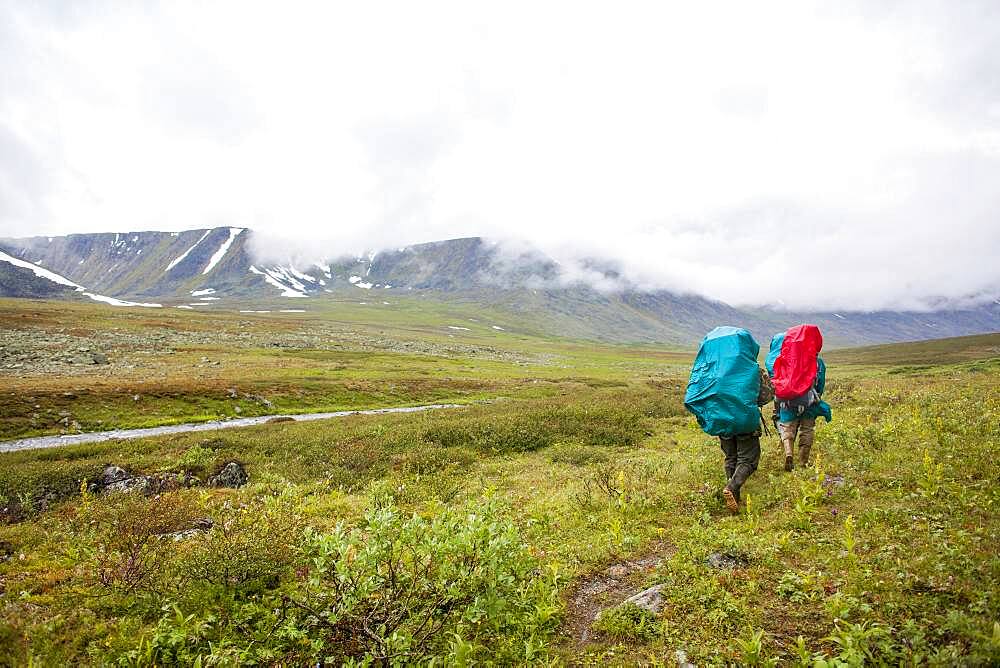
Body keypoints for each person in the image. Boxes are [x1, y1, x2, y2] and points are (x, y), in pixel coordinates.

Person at [767, 328, 832, 471]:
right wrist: (814, 397)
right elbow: (820, 385)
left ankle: (789, 453)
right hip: (809, 402)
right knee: (807, 429)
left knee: (787, 428)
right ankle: (803, 461)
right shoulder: (817, 363)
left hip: (787, 403)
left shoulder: (782, 361)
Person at [720, 364, 774, 512]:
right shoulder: (752, 368)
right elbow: (767, 395)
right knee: (748, 459)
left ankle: (734, 497)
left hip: (722, 418)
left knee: (731, 457)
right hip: (745, 419)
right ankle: (732, 487)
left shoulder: (716, 366)